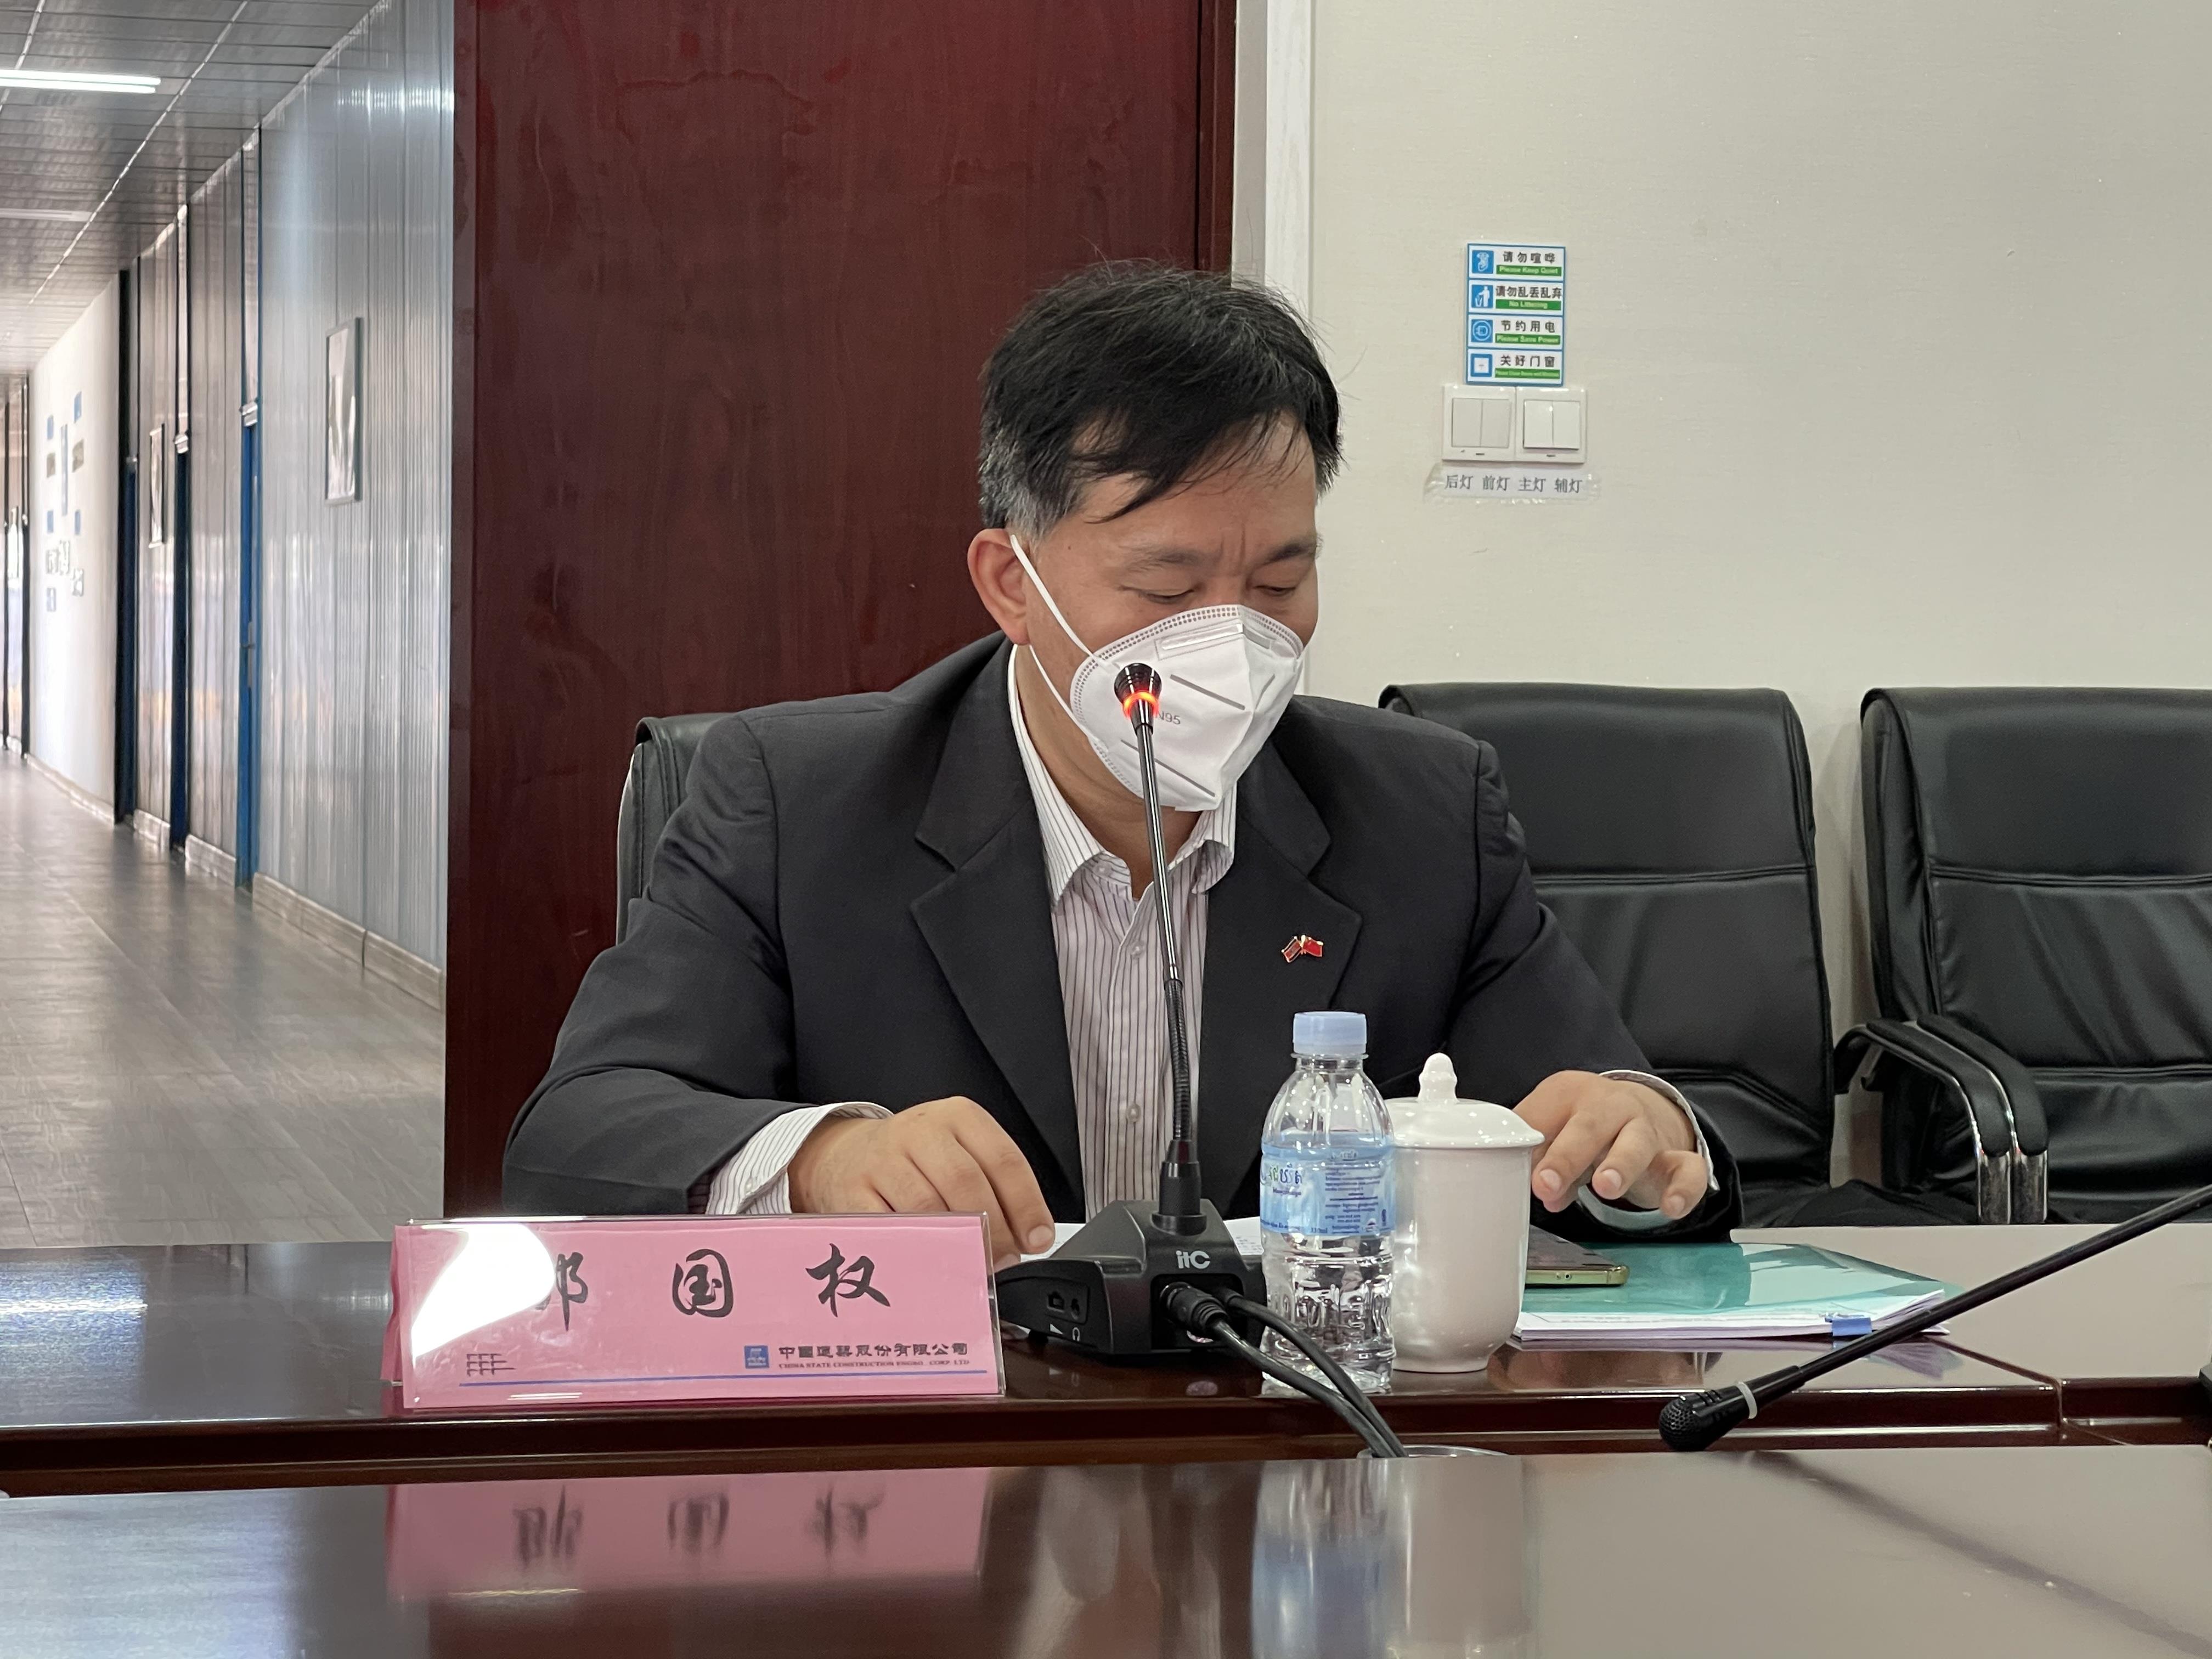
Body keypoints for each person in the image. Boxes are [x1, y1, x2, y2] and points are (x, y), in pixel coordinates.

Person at [505, 263, 1741, 1266]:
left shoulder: (1422, 813)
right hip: (951, 1451)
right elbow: (579, 1135)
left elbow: (1612, 1141)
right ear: (1012, 584)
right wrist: (824, 1160)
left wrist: (1641, 1138)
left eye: (1280, 582)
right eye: (1164, 587)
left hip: (1299, 1445)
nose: (1232, 640)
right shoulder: (795, 803)